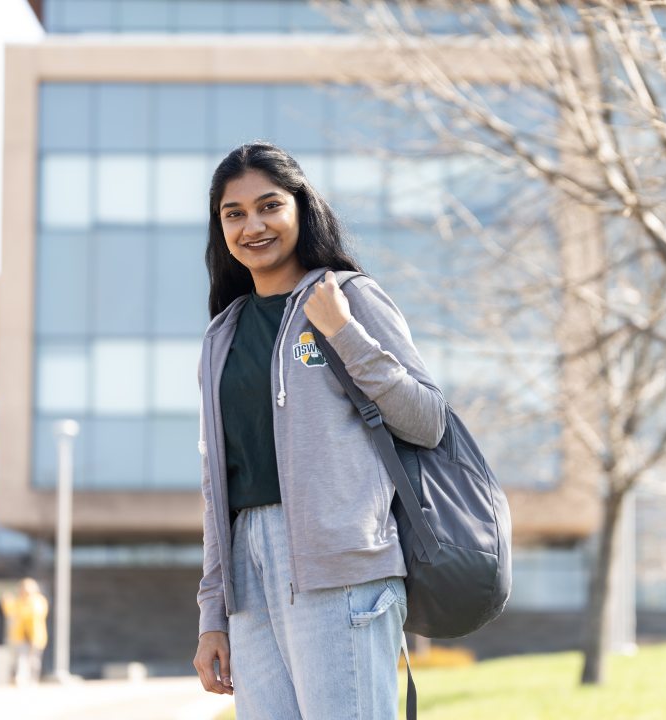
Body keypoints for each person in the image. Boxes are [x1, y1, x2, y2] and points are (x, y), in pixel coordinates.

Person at [192, 141, 446, 719]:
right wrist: (213, 615)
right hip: (248, 579)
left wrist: (346, 334)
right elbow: (217, 485)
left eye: (269, 206)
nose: (252, 225)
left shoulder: (347, 297)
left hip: (342, 564)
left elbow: (428, 420)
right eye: (234, 214)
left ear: (301, 209)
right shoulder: (222, 335)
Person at [1, 578, 48, 685]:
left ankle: (32, 679)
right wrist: (6, 602)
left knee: (34, 660)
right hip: (20, 635)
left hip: (34, 636)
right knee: (21, 659)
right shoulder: (18, 601)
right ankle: (21, 678)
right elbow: (10, 612)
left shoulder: (38, 601)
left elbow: (35, 614)